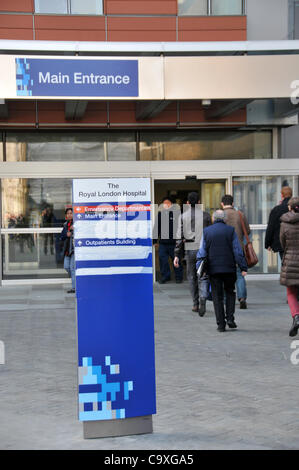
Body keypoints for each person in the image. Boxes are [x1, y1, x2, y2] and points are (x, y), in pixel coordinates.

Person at [196, 210, 247, 332]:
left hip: (213, 269)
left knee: (217, 296)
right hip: (229, 268)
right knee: (230, 292)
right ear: (225, 219)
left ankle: (220, 324)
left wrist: (199, 267)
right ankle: (230, 318)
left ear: (213, 219)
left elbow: (202, 251)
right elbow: (237, 250)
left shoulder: (207, 232)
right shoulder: (230, 231)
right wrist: (243, 266)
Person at [173, 192, 211, 315]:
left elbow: (179, 236)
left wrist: (176, 254)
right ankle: (203, 298)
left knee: (191, 277)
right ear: (199, 202)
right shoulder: (206, 216)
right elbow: (210, 235)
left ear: (188, 203)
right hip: (203, 250)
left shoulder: (183, 216)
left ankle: (195, 303)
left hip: (190, 250)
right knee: (203, 276)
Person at [221, 194, 250, 310]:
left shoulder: (221, 215)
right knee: (239, 275)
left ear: (222, 204)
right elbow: (247, 230)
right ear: (232, 203)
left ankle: (224, 298)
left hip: (224, 249)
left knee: (223, 274)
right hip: (239, 248)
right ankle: (242, 298)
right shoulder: (240, 214)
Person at [279, 197, 299, 337]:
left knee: (291, 292)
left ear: (289, 208)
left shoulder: (284, 224)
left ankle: (296, 316)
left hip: (291, 261)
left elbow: (282, 242)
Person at [153, 196, 183, 284]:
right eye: (164, 203)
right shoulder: (160, 214)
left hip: (174, 242)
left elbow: (181, 227)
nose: (166, 205)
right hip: (163, 243)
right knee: (163, 260)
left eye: (168, 203)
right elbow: (156, 228)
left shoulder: (177, 214)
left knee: (176, 260)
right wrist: (154, 241)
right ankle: (165, 276)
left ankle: (178, 277)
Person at [265, 186, 293, 260]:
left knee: (285, 264)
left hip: (281, 243)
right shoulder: (296, 208)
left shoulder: (277, 209)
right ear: (291, 195)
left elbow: (271, 227)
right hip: (295, 244)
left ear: (282, 195)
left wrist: (268, 243)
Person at [60, 207, 75, 294]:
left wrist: (74, 230)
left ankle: (74, 288)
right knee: (66, 267)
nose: (69, 215)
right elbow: (61, 236)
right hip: (66, 250)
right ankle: (75, 279)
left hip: (73, 250)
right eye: (68, 213)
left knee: (72, 268)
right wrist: (66, 234)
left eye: (71, 213)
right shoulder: (65, 224)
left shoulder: (76, 224)